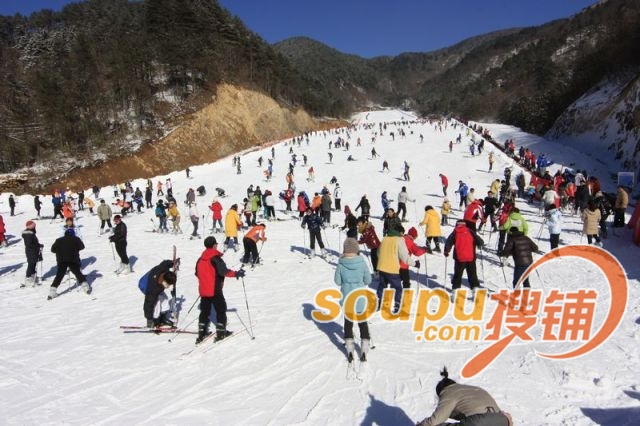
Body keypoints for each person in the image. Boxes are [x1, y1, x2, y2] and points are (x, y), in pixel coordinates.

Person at [415, 367, 510, 426]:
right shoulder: (472, 389)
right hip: (503, 421)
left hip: (479, 422)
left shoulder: (448, 392)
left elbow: (434, 422)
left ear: (441, 391)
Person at [195, 236, 246, 343]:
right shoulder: (215, 258)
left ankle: (202, 332)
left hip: (203, 290)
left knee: (204, 311)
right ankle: (221, 332)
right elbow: (224, 271)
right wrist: (236, 273)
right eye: (216, 244)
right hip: (214, 289)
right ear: (214, 245)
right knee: (221, 309)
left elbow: (197, 273)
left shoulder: (200, 259)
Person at [334, 238, 372, 363]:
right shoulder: (362, 262)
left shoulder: (341, 263)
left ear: (345, 249)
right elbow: (368, 280)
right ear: (357, 249)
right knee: (362, 323)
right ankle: (364, 348)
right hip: (360, 298)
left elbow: (337, 281)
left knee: (348, 323)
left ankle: (350, 349)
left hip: (347, 299)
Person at [444, 220, 484, 299]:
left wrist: (446, 251)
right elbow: (480, 241)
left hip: (459, 258)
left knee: (458, 275)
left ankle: (455, 292)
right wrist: (479, 244)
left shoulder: (455, 232)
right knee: (472, 275)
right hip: (471, 257)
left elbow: (449, 242)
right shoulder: (470, 231)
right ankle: (475, 291)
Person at [48, 229, 90, 299]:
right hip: (73, 259)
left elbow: (53, 250)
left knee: (59, 275)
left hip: (61, 260)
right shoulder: (76, 239)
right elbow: (82, 247)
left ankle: (52, 291)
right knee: (77, 272)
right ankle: (85, 286)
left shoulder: (58, 240)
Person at [376, 222, 409, 312]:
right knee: (398, 287)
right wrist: (415, 264)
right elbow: (405, 257)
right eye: (402, 233)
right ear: (399, 232)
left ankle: (378, 303)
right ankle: (397, 305)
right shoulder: (399, 240)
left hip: (382, 267)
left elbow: (378, 252)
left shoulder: (385, 238)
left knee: (382, 285)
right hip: (392, 269)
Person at [142, 260, 178, 328]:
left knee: (164, 299)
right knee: (156, 303)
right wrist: (149, 319)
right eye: (169, 284)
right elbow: (148, 303)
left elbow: (165, 263)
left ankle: (162, 318)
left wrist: (172, 263)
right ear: (164, 281)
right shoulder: (154, 288)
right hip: (145, 285)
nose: (169, 286)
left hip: (156, 282)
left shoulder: (164, 269)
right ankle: (155, 320)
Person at [22, 220, 43, 287]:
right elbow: (29, 244)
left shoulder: (30, 233)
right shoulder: (28, 234)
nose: (35, 227)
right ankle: (28, 277)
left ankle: (33, 277)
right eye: (34, 226)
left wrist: (39, 245)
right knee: (31, 264)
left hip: (33, 251)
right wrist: (38, 246)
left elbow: (34, 243)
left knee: (33, 263)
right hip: (31, 251)